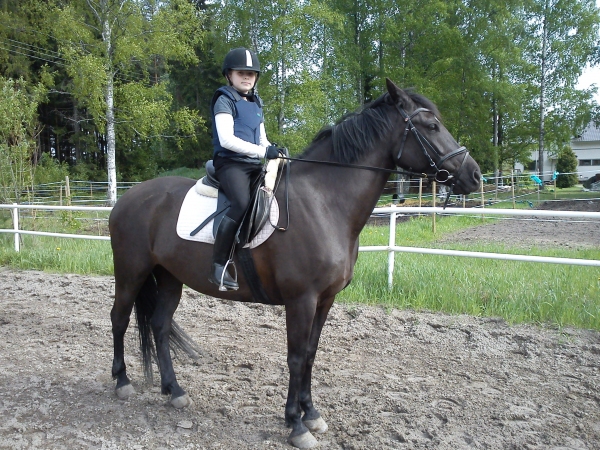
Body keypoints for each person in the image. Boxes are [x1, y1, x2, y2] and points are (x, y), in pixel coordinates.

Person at [209, 47, 281, 291]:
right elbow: (227, 139)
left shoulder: (255, 102)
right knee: (240, 202)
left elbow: (262, 139)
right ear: (229, 75)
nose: (247, 77)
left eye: (251, 74)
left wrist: (273, 149)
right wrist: (262, 152)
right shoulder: (224, 100)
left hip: (252, 165)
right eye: (241, 73)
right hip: (230, 164)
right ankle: (218, 266)